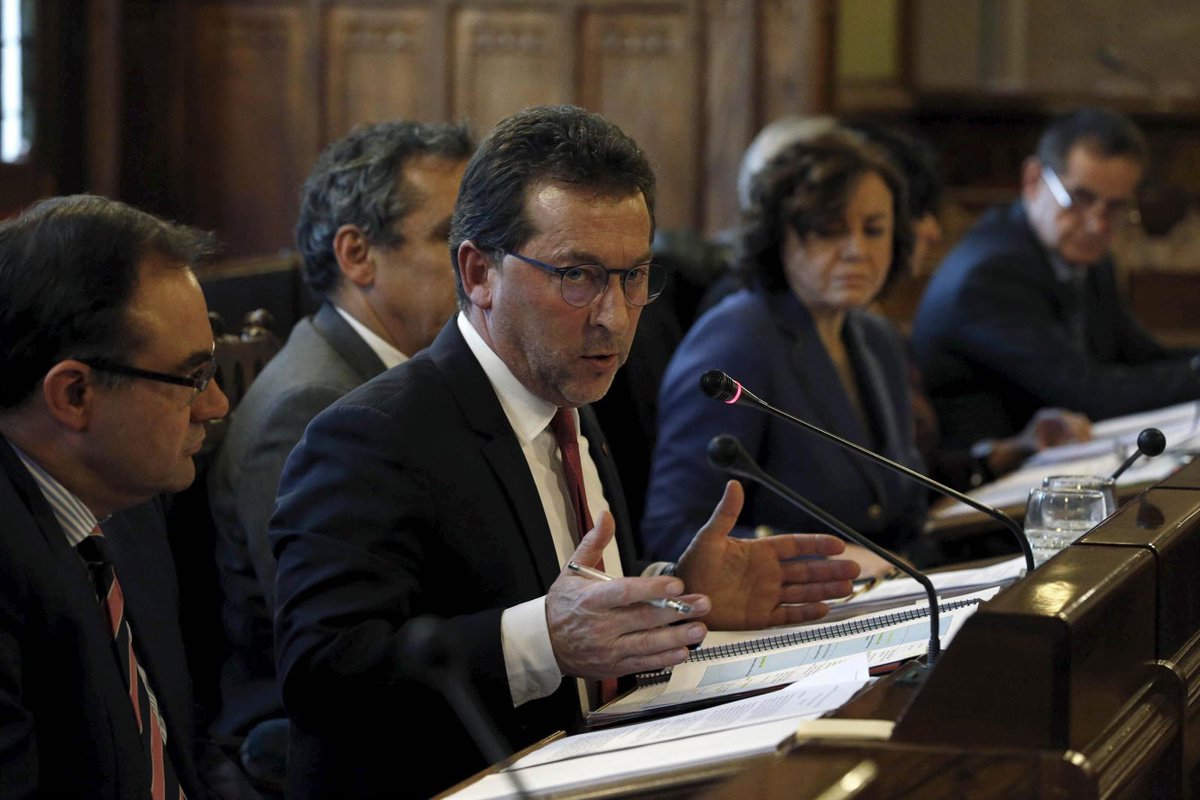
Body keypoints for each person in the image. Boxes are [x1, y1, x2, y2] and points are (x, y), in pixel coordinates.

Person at [268, 105, 860, 798]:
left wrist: (677, 595)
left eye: (633, 276)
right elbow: (323, 678)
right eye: (577, 276)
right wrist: (541, 642)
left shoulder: (571, 398)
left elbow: (584, 618)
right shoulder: (372, 435)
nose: (613, 315)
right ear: (479, 273)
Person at [207, 120, 473, 741]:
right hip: (318, 745)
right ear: (356, 254)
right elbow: (340, 648)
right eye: (451, 236)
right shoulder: (312, 406)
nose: (478, 262)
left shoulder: (403, 375)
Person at [0, 195, 256, 798]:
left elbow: (184, 744)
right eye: (193, 378)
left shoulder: (130, 500)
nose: (217, 405)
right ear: (75, 395)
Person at [642, 132, 930, 569]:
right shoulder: (735, 341)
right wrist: (823, 558)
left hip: (894, 589)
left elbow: (899, 506)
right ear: (779, 236)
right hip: (791, 600)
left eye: (874, 230)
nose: (857, 250)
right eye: (829, 230)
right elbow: (674, 532)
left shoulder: (877, 338)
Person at [912, 107, 1200, 447]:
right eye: (1080, 198)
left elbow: (1139, 356)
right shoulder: (989, 274)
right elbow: (1091, 395)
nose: (1097, 224)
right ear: (1034, 179)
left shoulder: (1085, 257)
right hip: (989, 469)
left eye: (1115, 207)